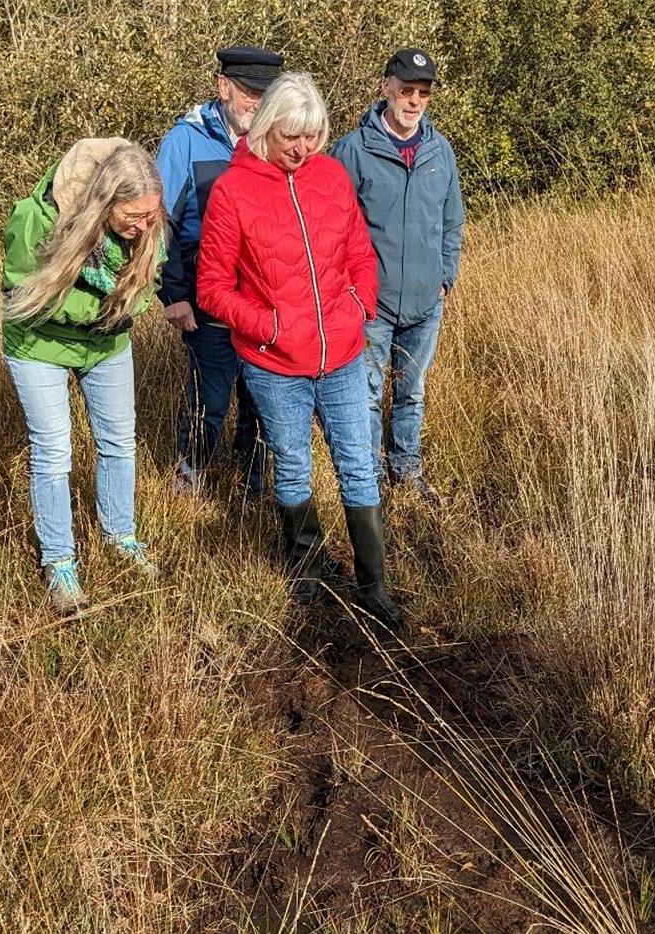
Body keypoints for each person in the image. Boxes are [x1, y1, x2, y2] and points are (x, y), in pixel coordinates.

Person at [195, 72, 402, 629]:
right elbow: (212, 287)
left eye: (312, 136)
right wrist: (267, 324)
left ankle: (374, 583)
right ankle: (307, 572)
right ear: (266, 127)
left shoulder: (330, 175)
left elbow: (360, 249)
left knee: (357, 463)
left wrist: (360, 303)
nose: (302, 148)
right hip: (274, 364)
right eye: (292, 136)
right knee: (291, 466)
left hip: (342, 352)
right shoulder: (233, 192)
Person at [2, 138, 166, 614]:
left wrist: (125, 306)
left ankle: (120, 536)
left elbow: (151, 277)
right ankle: (59, 563)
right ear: (103, 203)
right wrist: (98, 307)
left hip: (107, 342)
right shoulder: (38, 218)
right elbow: (20, 290)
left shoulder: (149, 221)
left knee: (119, 441)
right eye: (131, 217)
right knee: (54, 450)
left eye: (149, 216)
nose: (141, 227)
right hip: (38, 344)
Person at [330, 48, 464, 498]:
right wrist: (349, 290)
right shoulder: (353, 151)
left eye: (423, 93)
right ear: (386, 86)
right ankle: (367, 480)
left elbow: (452, 220)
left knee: (412, 393)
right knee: (365, 395)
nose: (414, 101)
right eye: (406, 90)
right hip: (372, 305)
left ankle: (406, 473)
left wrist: (447, 275)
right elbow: (333, 227)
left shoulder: (439, 150)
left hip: (426, 303)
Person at [157, 45, 282, 500]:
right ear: (223, 87)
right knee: (210, 399)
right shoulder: (185, 140)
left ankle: (255, 487)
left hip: (263, 302)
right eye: (250, 92)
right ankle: (190, 479)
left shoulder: (275, 141)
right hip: (205, 301)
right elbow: (158, 222)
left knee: (262, 399)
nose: (257, 103)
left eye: (266, 95)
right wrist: (172, 295)